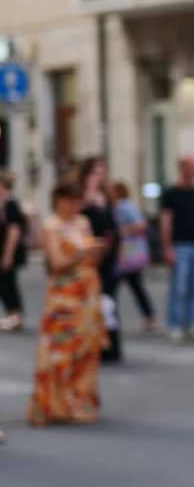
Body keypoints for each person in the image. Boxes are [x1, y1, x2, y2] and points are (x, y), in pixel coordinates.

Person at [28, 180, 104, 426]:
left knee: (85, 350)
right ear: (59, 201)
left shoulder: (83, 223)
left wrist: (96, 251)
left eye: (78, 201)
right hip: (64, 296)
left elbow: (92, 258)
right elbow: (57, 264)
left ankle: (79, 401)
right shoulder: (53, 226)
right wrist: (80, 253)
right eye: (71, 201)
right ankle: (57, 403)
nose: (75, 207)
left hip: (86, 294)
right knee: (60, 351)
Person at [77, 157, 123, 363]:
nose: (99, 177)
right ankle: (93, 344)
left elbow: (114, 223)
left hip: (109, 254)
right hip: (90, 254)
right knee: (92, 300)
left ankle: (110, 343)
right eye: (95, 172)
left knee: (109, 300)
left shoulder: (106, 195)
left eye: (102, 172)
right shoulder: (80, 196)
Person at [161, 156, 194, 343]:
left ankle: (189, 324)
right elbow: (166, 221)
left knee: (193, 287)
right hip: (179, 245)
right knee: (178, 287)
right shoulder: (171, 193)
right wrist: (167, 247)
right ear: (182, 169)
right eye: (191, 167)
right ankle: (175, 325)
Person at [110, 181, 159, 334]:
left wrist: (122, 231)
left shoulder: (123, 206)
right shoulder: (123, 206)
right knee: (135, 286)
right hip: (127, 251)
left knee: (117, 285)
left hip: (127, 251)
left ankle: (111, 318)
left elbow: (140, 224)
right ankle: (149, 317)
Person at [0, 170, 28, 331]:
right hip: (5, 252)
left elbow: (14, 231)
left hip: (8, 252)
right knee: (6, 284)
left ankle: (15, 316)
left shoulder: (11, 204)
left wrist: (7, 255)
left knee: (8, 284)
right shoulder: (4, 203)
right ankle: (13, 315)